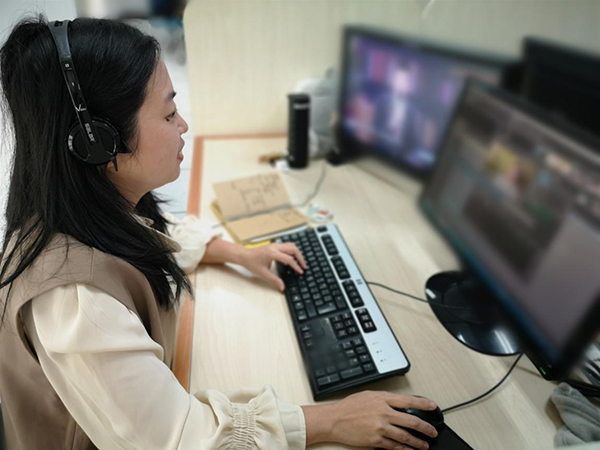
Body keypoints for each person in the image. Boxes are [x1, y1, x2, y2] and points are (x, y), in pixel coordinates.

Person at [0, 16, 439, 450]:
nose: (183, 125)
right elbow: (183, 441)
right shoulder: (75, 301)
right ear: (98, 142)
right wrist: (331, 419)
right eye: (168, 114)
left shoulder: (82, 205)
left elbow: (138, 236)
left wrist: (232, 251)